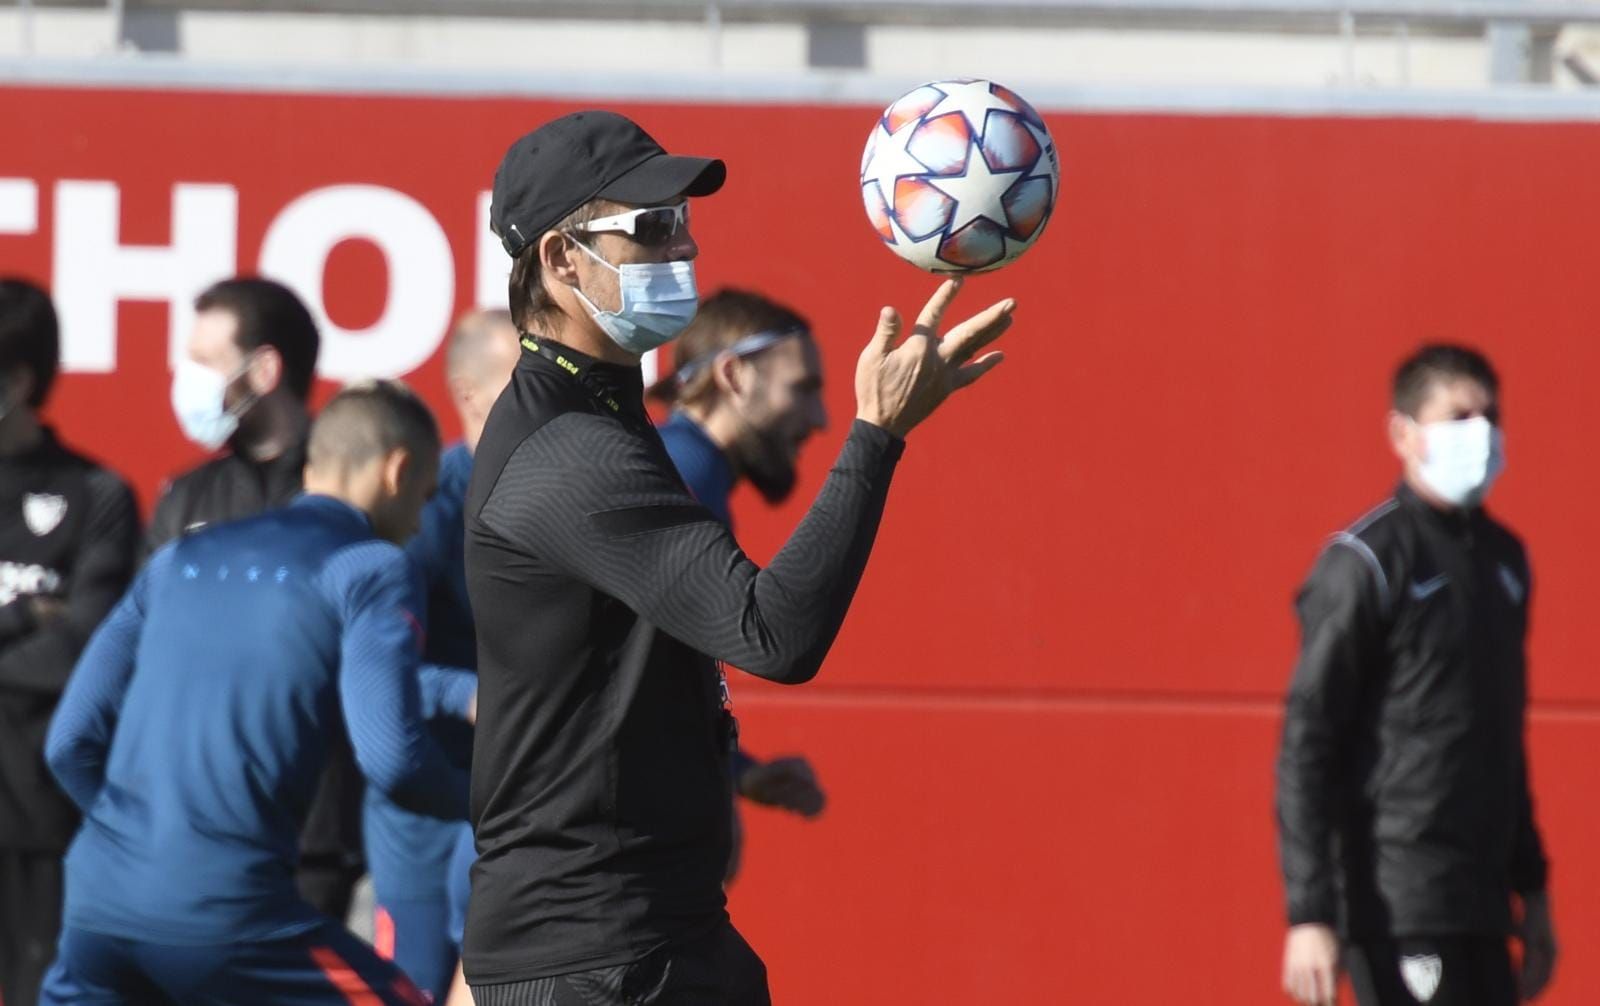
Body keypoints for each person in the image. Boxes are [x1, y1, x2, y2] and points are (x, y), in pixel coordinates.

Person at [462, 110, 1015, 1004]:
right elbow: (774, 633)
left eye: (681, 220)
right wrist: (876, 434)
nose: (682, 246)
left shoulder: (598, 416)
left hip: (655, 936)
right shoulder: (568, 450)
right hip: (594, 962)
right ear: (563, 263)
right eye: (649, 227)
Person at [40, 381, 470, 1006]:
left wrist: (133, 847)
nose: (419, 523)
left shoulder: (179, 558)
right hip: (226, 914)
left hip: (97, 904)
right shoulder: (372, 569)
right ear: (399, 471)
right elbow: (392, 759)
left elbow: (69, 742)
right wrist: (492, 805)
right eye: (426, 498)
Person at [1275, 345, 1558, 1006]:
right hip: (1398, 904)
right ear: (1403, 433)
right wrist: (1310, 912)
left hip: (1485, 906)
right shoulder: (1366, 562)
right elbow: (1306, 745)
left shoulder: (1503, 562)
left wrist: (1534, 893)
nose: (1481, 435)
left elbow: (1501, 744)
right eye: (1458, 416)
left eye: (1490, 417)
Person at [149, 276, 367, 923]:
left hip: (315, 850)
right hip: (194, 843)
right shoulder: (183, 499)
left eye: (204, 362)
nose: (185, 380)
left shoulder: (348, 494)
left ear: (265, 369)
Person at [652, 289, 833, 880]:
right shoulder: (682, 477)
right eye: (802, 389)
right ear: (733, 375)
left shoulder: (684, 472)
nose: (819, 419)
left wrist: (737, 775)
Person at [364, 309, 517, 1003]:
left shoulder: (563, 497)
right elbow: (374, 672)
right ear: (467, 392)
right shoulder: (425, 511)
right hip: (430, 814)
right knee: (417, 990)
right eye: (524, 377)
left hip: (518, 802)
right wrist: (469, 694)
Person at [0, 279, 140, 1006]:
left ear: (18, 380)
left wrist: (48, 631)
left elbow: (86, 646)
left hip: (40, 820)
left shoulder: (98, 495)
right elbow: (49, 631)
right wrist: (26, 614)